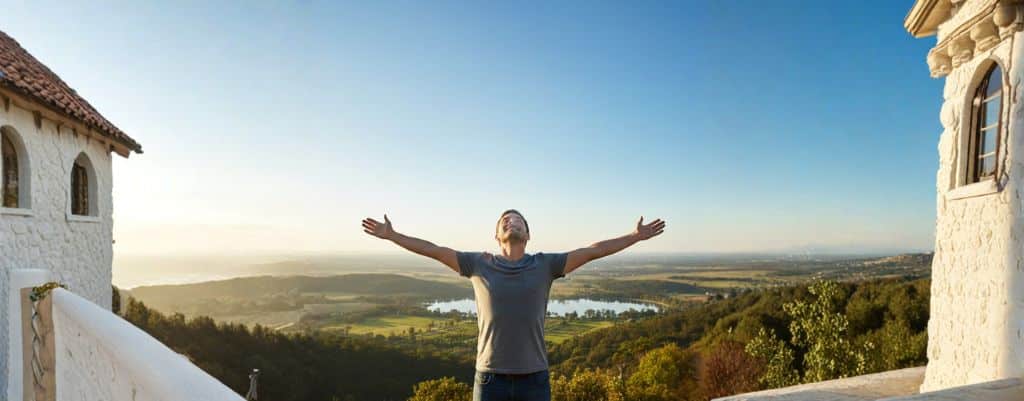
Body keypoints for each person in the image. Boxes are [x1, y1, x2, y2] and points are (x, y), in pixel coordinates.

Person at [361, 209, 666, 401]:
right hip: (489, 380)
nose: (512, 220)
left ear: (528, 235)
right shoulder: (477, 263)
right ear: (497, 236)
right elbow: (432, 249)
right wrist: (392, 235)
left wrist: (634, 237)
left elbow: (593, 251)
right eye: (505, 220)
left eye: (518, 219)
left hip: (535, 379)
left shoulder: (546, 264)